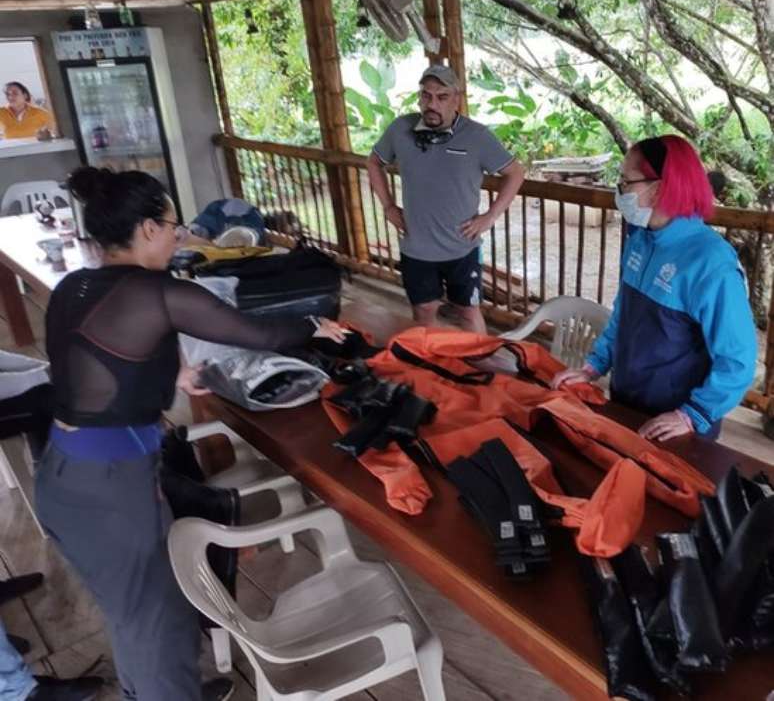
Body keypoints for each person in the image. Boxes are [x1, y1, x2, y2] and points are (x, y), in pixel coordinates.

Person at [34, 167, 346, 701]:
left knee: (138, 615)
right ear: (148, 229)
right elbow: (256, 332)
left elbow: (89, 365)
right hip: (108, 489)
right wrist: (314, 326)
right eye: (174, 225)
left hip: (67, 474)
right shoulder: (155, 291)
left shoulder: (74, 285)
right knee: (155, 622)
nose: (180, 235)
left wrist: (165, 375)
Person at [552, 135, 757, 442]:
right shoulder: (641, 238)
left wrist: (692, 415)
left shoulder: (711, 264)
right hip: (626, 401)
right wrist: (593, 366)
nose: (619, 190)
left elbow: (738, 359)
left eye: (626, 181)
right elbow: (623, 314)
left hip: (674, 425)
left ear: (659, 187)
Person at [367, 65, 525, 333]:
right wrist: (389, 206)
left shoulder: (477, 136)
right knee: (424, 310)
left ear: (456, 99)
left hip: (462, 247)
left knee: (468, 311)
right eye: (426, 96)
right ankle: (433, 365)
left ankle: (478, 364)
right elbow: (373, 162)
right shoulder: (400, 129)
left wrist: (491, 215)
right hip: (416, 246)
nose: (432, 104)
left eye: (441, 96)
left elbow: (516, 172)